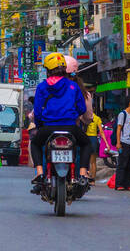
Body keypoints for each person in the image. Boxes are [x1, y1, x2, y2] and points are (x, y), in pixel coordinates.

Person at [29, 52, 90, 189]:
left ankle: (39, 173)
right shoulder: (73, 86)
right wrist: (72, 116)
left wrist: (40, 126)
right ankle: (82, 173)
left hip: (48, 127)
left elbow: (37, 112)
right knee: (86, 144)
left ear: (48, 70)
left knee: (35, 144)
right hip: (70, 127)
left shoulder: (42, 87)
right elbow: (81, 108)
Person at [113, 98, 130, 191]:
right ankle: (119, 184)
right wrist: (118, 143)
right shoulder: (122, 114)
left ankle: (127, 184)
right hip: (124, 142)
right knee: (122, 164)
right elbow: (119, 129)